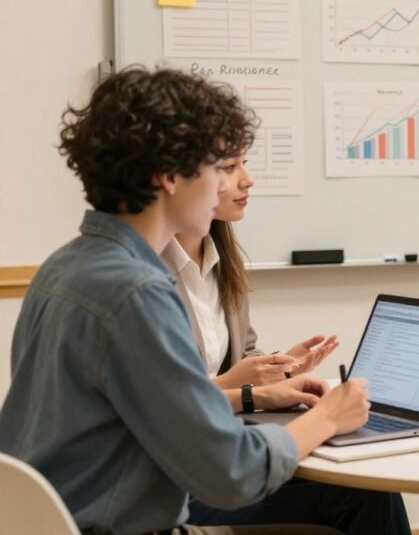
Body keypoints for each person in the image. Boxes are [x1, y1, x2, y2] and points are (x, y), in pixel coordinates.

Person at [0, 68, 371, 535]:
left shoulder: (63, 268)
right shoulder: (136, 293)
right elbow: (233, 474)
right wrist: (329, 417)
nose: (223, 188)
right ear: (168, 175)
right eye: (218, 168)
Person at [163, 151, 410, 534]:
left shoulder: (222, 259)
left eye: (245, 163)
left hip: (224, 453)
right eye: (230, 167)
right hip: (181, 484)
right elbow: (164, 401)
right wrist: (246, 389)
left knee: (369, 489)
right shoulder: (144, 280)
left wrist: (277, 368)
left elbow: (240, 355)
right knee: (362, 493)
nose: (247, 180)